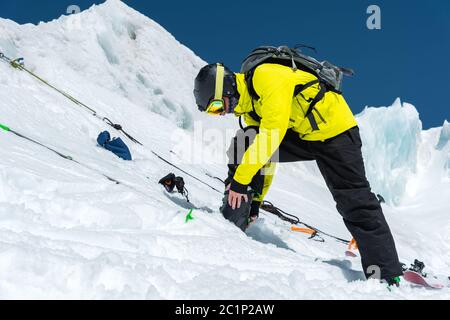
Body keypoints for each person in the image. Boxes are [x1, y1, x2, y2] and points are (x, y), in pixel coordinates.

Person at [193, 62, 403, 286]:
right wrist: (255, 201)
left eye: (217, 106)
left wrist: (240, 181)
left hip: (336, 133)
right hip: (304, 135)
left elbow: (272, 136)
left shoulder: (266, 77)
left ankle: (386, 275)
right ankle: (235, 220)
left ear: (226, 89)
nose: (221, 112)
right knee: (245, 142)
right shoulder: (251, 107)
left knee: (354, 201)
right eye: (213, 112)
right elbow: (266, 156)